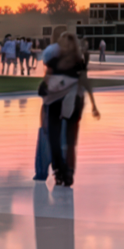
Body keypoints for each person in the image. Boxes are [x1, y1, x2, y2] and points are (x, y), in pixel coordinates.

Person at [41, 32, 96, 187]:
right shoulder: (53, 60)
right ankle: (59, 169)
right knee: (54, 139)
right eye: (62, 42)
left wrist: (93, 105)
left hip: (73, 102)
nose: (64, 46)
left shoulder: (78, 62)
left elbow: (84, 81)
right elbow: (47, 79)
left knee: (71, 140)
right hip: (54, 102)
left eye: (67, 43)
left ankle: (69, 171)